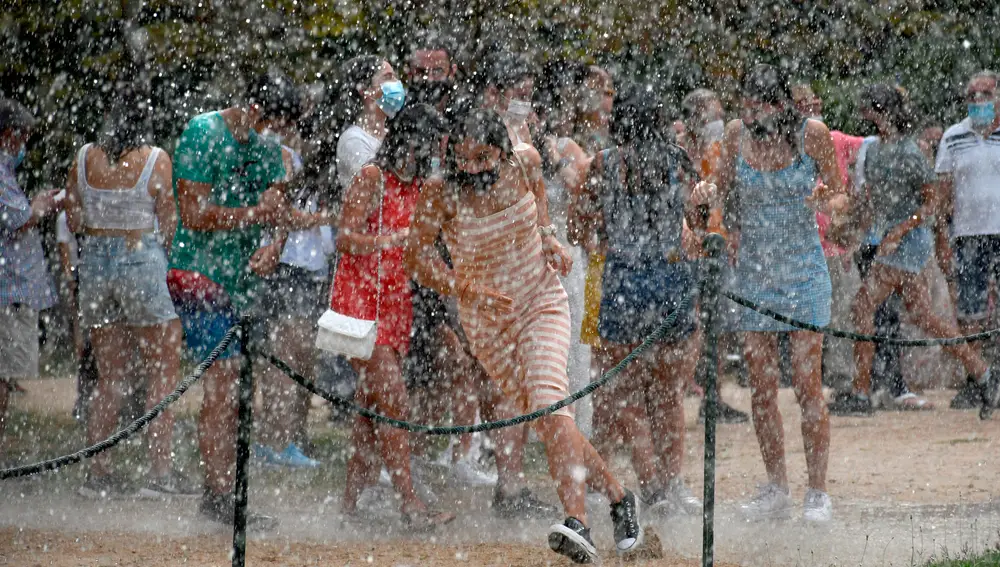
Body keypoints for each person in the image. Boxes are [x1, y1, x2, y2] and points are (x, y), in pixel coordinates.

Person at [406, 109, 642, 564]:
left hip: (541, 303)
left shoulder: (526, 162)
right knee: (551, 422)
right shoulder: (440, 192)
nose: (470, 167)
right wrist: (464, 287)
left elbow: (540, 203)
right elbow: (416, 260)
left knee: (552, 406)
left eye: (481, 157)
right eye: (462, 158)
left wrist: (550, 239)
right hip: (487, 324)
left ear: (499, 149)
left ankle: (578, 524)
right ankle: (617, 495)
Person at [714, 64, 847, 523]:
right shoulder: (734, 135)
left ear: (779, 105)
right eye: (745, 106)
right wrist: (712, 217)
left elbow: (839, 196)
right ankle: (776, 486)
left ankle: (817, 491)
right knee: (762, 390)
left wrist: (829, 202)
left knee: (809, 387)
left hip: (805, 274)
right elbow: (721, 195)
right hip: (754, 276)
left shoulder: (812, 134)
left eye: (759, 106)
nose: (751, 115)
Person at [167, 71, 301, 526]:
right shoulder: (203, 133)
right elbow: (194, 214)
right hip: (197, 274)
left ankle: (222, 493)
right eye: (277, 126)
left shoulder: (265, 148)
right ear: (255, 109)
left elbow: (277, 206)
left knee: (240, 387)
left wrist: (275, 243)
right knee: (223, 384)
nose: (279, 139)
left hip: (241, 280)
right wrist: (251, 216)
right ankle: (219, 495)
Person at [574, 87, 706, 517]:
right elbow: (700, 221)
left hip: (623, 286)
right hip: (670, 283)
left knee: (627, 395)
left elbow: (579, 224)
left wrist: (605, 229)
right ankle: (673, 484)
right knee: (668, 395)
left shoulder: (605, 162)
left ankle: (651, 487)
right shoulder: (679, 161)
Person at [62, 83, 189, 498]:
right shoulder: (155, 159)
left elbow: (75, 216)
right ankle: (159, 473)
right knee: (162, 371)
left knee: (109, 377)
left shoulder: (84, 157)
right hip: (140, 256)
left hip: (96, 263)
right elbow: (168, 220)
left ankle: (98, 473)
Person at [333, 103, 455, 529]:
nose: (437, 155)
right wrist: (393, 240)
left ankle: (350, 506)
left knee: (371, 410)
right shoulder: (372, 178)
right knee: (395, 403)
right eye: (433, 145)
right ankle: (410, 505)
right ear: (412, 141)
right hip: (362, 306)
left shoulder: (420, 186)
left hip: (396, 306)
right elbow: (345, 238)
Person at [249, 117, 328, 469]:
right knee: (285, 359)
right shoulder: (277, 155)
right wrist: (325, 218)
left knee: (302, 361)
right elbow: (279, 213)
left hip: (308, 270)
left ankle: (292, 437)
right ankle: (277, 441)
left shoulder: (293, 158)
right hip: (289, 269)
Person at [789, 83, 867, 394]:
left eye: (812, 102)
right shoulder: (784, 148)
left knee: (841, 316)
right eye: (802, 104)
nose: (810, 107)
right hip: (803, 247)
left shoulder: (835, 140)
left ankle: (843, 382)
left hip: (835, 248)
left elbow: (871, 150)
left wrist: (854, 224)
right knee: (807, 320)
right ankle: (808, 382)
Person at [679, 87, 751, 424]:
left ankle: (709, 396)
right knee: (706, 325)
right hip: (707, 241)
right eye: (714, 110)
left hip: (704, 240)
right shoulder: (699, 147)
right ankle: (695, 394)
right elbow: (726, 188)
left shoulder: (696, 148)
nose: (720, 116)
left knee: (712, 325)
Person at [935, 70, 1000, 414]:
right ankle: (977, 379)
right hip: (968, 234)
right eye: (973, 97)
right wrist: (943, 238)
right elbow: (943, 194)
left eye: (985, 95)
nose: (979, 103)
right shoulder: (953, 136)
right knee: (970, 312)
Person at [0, 99, 61, 462]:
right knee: (3, 374)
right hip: (8, 292)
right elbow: (18, 220)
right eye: (23, 136)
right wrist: (38, 208)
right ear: (9, 134)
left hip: (12, 291)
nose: (25, 144)